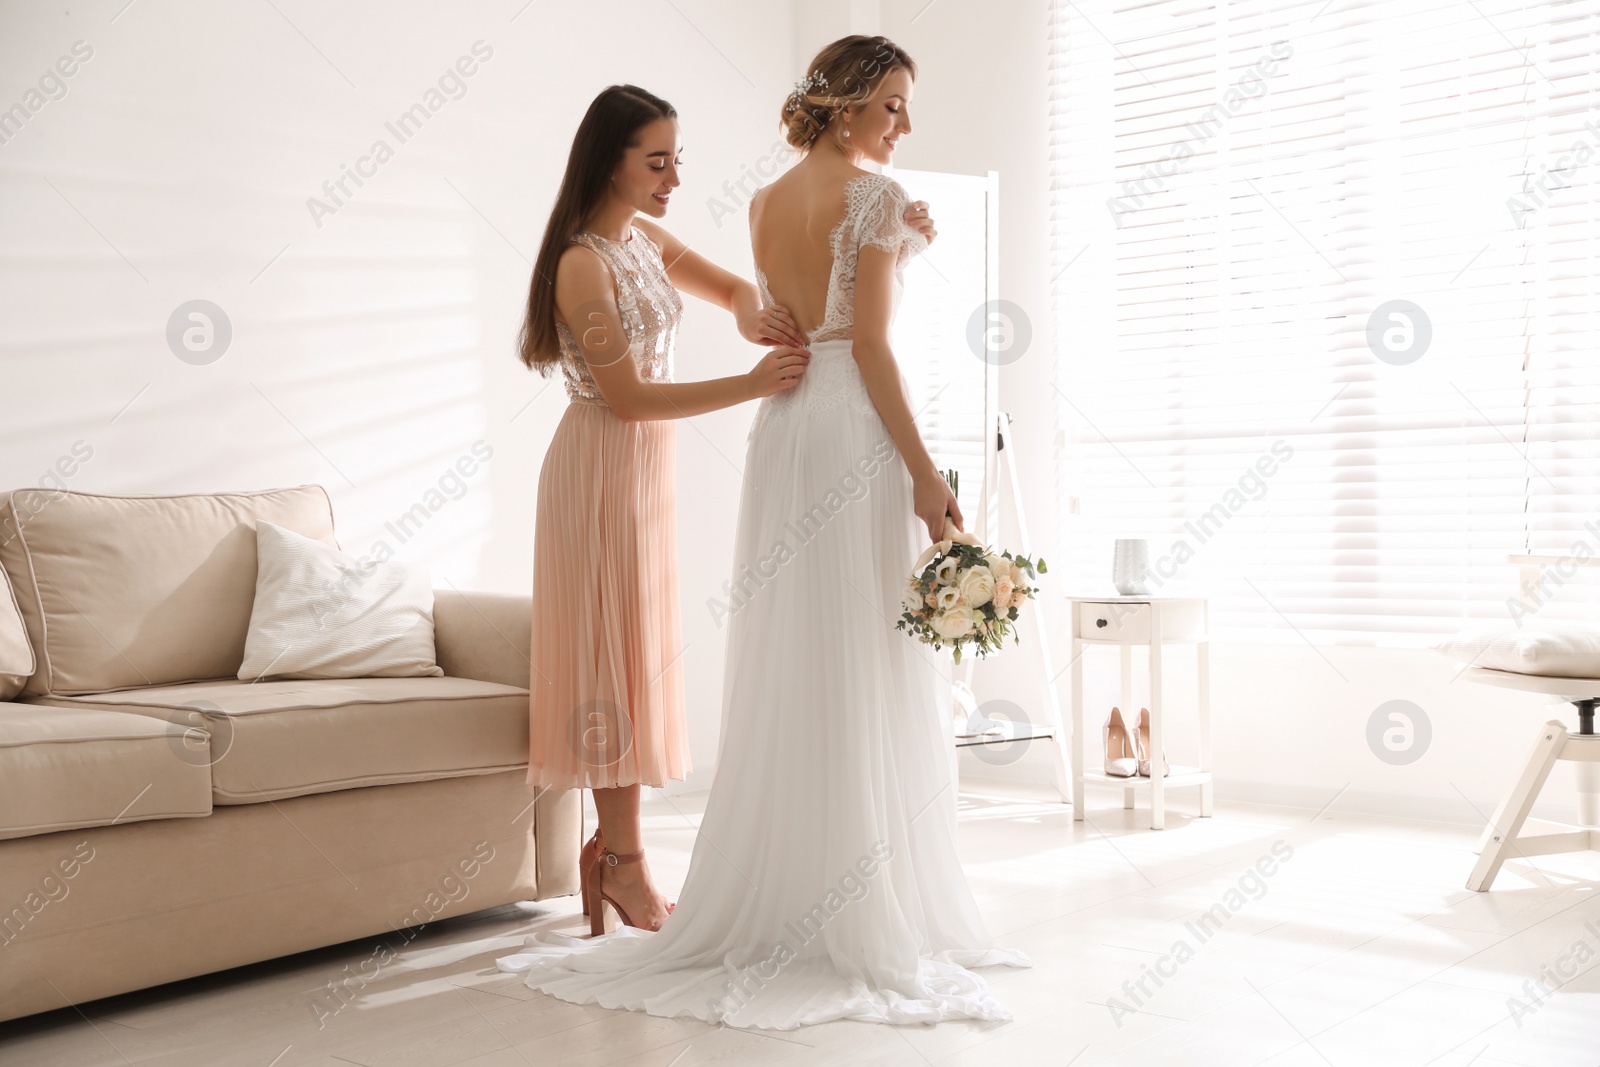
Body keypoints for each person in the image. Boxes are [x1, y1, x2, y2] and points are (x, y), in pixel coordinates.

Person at [498, 38, 1030, 1029]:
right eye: (890, 107)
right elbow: (856, 341)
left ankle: (703, 870)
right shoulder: (591, 257)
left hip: (779, 428)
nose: (901, 128)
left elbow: (756, 294)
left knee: (786, 649)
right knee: (833, 649)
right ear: (840, 107)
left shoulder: (743, 210)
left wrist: (771, 307)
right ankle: (690, 868)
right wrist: (918, 467)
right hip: (747, 435)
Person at [519, 84, 811, 935]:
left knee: (637, 657)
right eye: (656, 161)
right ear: (607, 160)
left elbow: (727, 287)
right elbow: (629, 396)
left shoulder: (640, 239)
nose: (673, 177)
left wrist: (758, 312)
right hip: (600, 464)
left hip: (643, 472)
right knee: (611, 663)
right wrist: (750, 385)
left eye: (677, 159)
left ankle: (616, 858)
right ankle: (624, 866)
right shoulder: (582, 262)